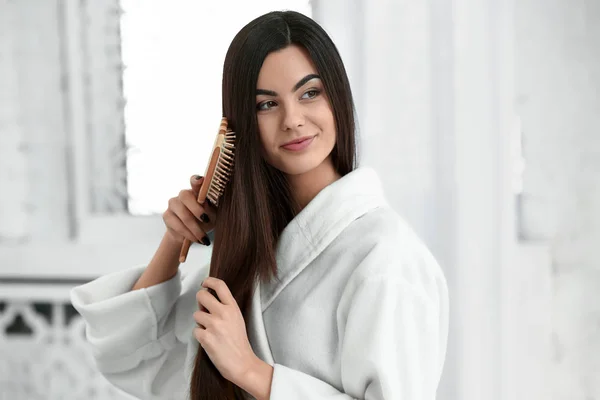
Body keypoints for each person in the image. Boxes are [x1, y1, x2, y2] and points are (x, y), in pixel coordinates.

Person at [71, 10, 449, 400]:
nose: (293, 120)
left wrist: (253, 372)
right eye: (266, 105)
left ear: (337, 96)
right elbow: (130, 356)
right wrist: (174, 242)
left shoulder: (386, 258)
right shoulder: (252, 253)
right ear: (240, 126)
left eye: (309, 93)